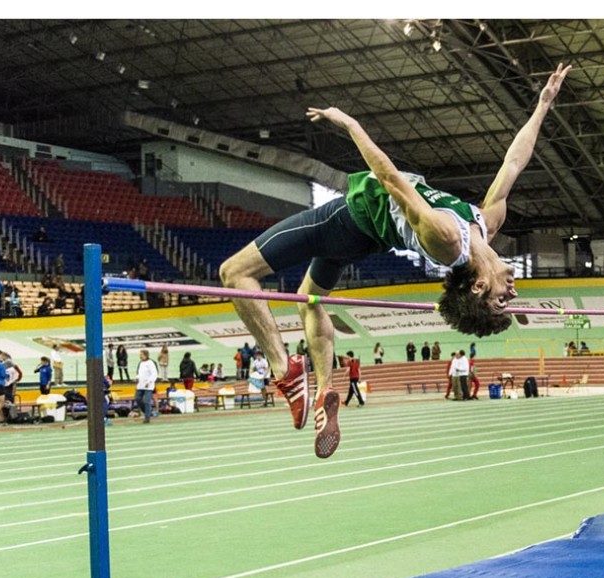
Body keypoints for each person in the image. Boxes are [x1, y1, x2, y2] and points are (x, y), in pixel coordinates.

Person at [217, 64, 571, 459]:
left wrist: (349, 123)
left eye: (503, 299)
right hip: (365, 239)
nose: (514, 291)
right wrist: (542, 107)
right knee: (310, 299)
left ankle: (284, 370)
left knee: (234, 272)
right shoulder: (486, 223)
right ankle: (324, 390)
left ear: (478, 286)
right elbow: (514, 164)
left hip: (349, 220)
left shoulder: (446, 237)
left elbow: (388, 178)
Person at [135, 349, 159, 423]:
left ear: (145, 355)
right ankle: (147, 411)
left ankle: (147, 418)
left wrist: (149, 381)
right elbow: (140, 373)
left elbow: (154, 374)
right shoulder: (140, 363)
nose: (140, 356)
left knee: (147, 401)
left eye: (141, 355)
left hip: (148, 385)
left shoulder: (151, 363)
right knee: (137, 398)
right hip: (140, 385)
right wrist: (137, 378)